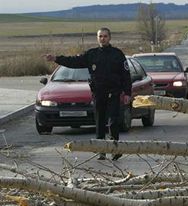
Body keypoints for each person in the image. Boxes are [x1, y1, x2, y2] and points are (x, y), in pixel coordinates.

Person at [44, 27, 131, 161]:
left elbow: (126, 75)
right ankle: (101, 150)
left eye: (105, 36)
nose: (103, 38)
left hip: (114, 93)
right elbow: (74, 61)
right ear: (97, 38)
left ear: (110, 38)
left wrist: (127, 93)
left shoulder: (117, 54)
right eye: (100, 36)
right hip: (98, 93)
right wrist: (56, 58)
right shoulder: (92, 54)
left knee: (113, 122)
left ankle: (115, 149)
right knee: (100, 122)